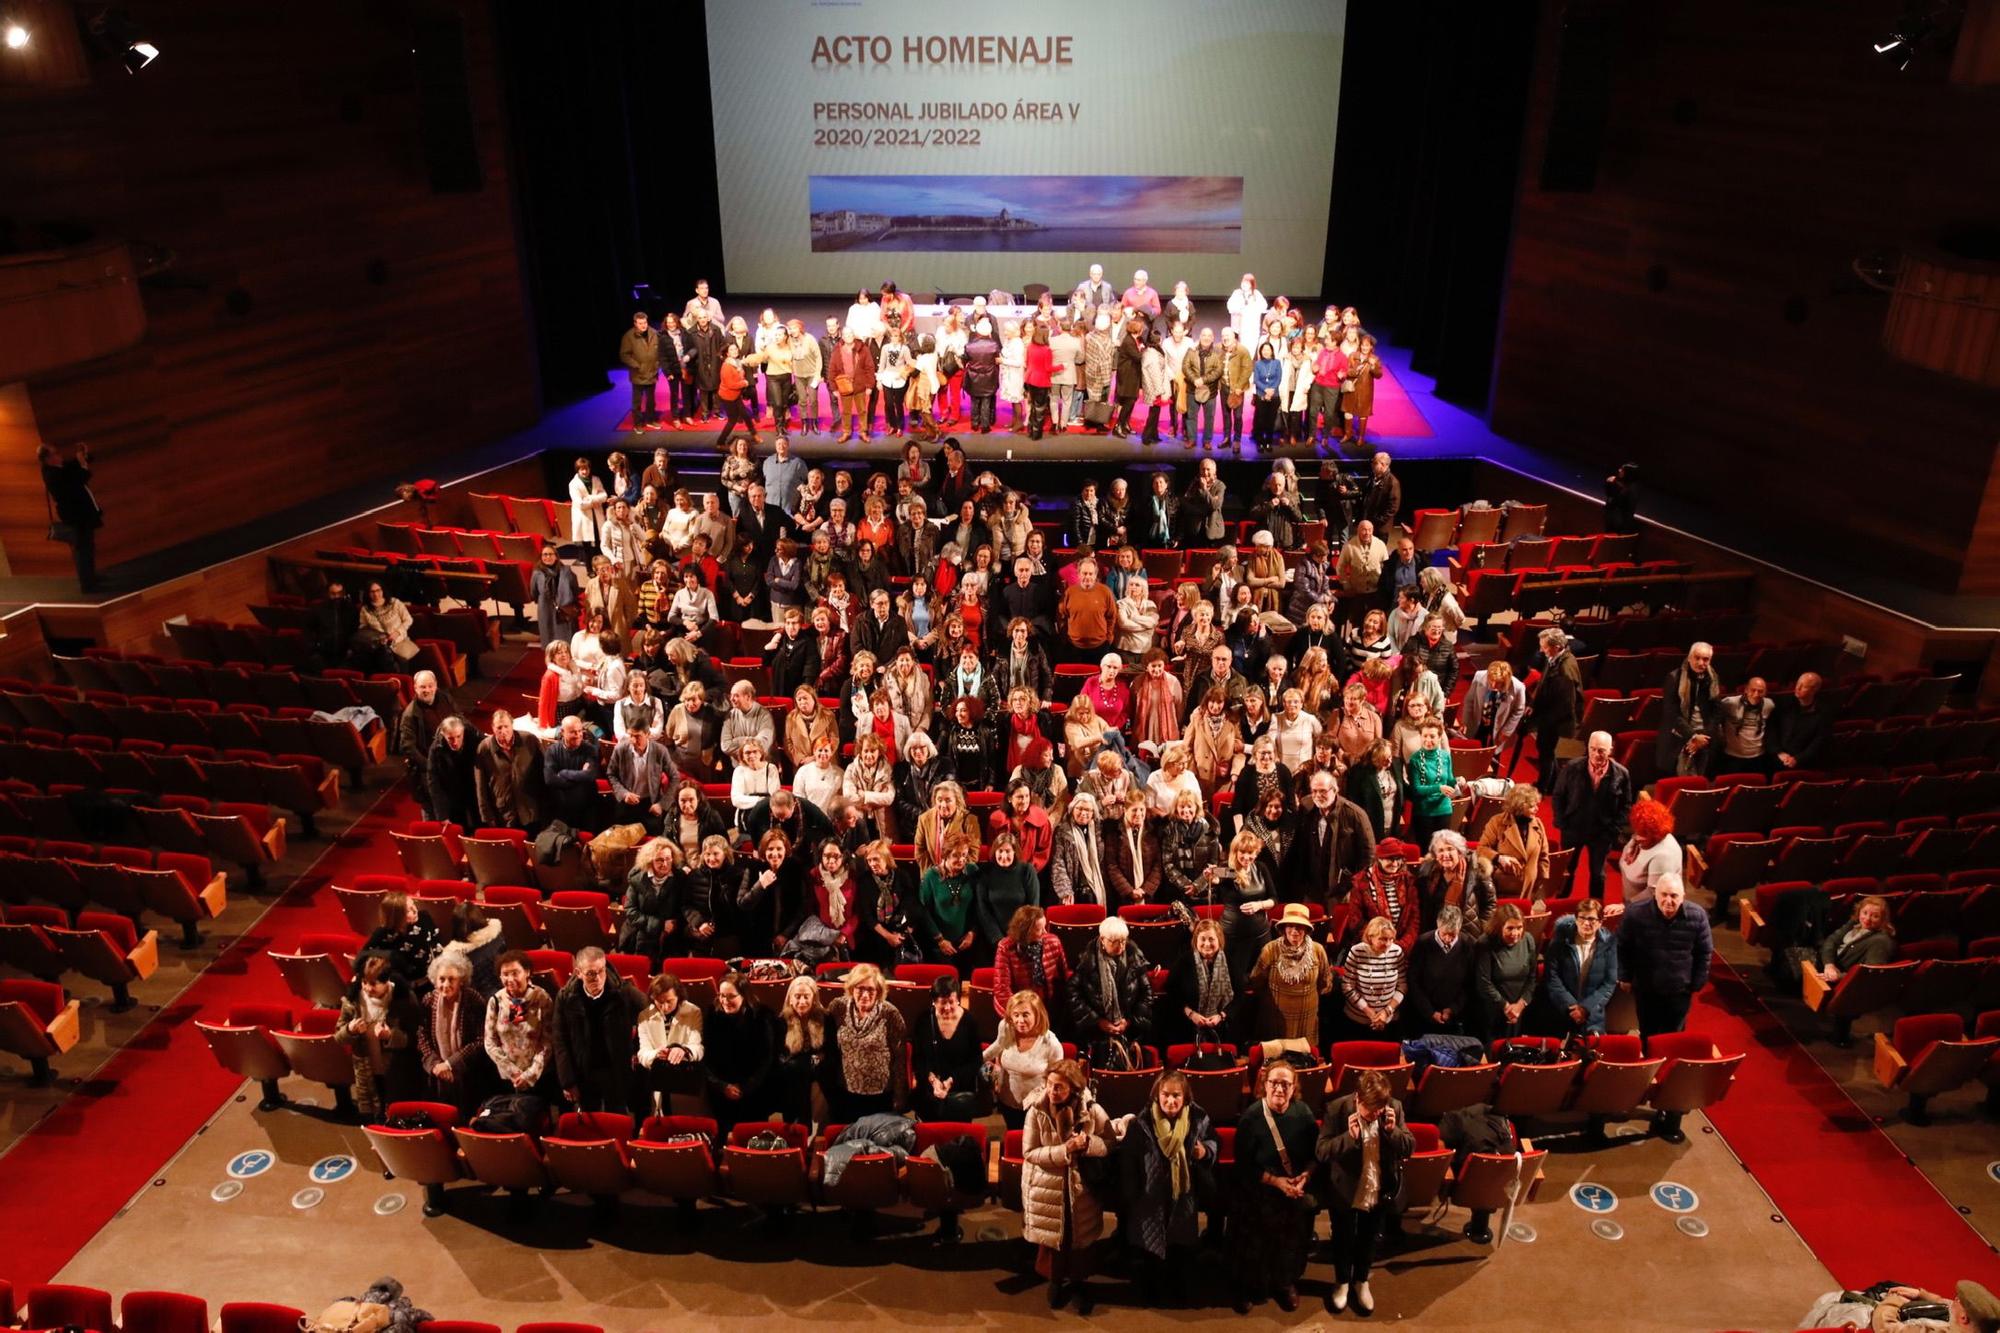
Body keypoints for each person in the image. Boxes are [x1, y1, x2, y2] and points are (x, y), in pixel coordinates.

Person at [1617, 872, 1711, 1139]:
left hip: (1678, 993)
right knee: (1648, 1038)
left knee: (1672, 1044)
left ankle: (1665, 1100)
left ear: (1683, 897)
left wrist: (1696, 983)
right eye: (1664, 895)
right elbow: (1623, 945)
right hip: (1646, 990)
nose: (1669, 901)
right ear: (1655, 894)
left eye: (1675, 896)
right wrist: (1624, 975)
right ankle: (1647, 1086)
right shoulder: (1636, 914)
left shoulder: (1696, 917)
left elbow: (1704, 953)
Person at [1022, 1057, 1115, 1314]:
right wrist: (1065, 1149)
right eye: (1050, 1084)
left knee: (1079, 1238)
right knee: (1055, 1241)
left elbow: (1109, 1143)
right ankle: (1055, 1281)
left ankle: (1078, 1284)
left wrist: (1088, 1145)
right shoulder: (1037, 1110)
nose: (1052, 1091)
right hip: (1048, 1186)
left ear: (1073, 1088)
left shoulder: (1091, 1110)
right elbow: (1030, 1152)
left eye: (1059, 1087)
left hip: (1080, 1189)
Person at [1116, 1069, 1218, 1305]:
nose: (1171, 1101)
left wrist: (1206, 1152)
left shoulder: (1198, 1118)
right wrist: (1131, 1195)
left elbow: (1213, 1142)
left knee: (1181, 1248)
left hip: (1183, 1197)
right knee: (1150, 1249)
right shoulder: (1141, 1122)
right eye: (1166, 1095)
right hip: (1149, 1198)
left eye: (1176, 1096)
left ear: (1185, 1098)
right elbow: (1129, 1161)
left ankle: (1179, 1289)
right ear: (1157, 1095)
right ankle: (1151, 1290)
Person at [1318, 1068, 1412, 1317]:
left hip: (1379, 1187)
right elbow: (1322, 1151)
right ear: (1357, 1099)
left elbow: (1409, 1147)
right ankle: (1342, 1282)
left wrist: (1393, 1132)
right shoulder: (1336, 1109)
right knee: (1343, 1238)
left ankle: (1361, 1281)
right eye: (1371, 1109)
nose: (1376, 1114)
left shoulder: (1394, 1108)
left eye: (1380, 1109)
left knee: (1369, 1238)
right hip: (1345, 1189)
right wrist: (1349, 1137)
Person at [1230, 1061, 1316, 1315]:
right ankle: (1247, 1285)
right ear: (1264, 1085)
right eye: (1274, 1083)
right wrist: (1276, 1182)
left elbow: (1315, 1156)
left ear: (1294, 1088)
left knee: (1292, 1238)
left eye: (1285, 1084)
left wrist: (1304, 1178)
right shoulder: (1251, 1118)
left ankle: (1284, 1282)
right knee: (1253, 1239)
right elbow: (1243, 1166)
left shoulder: (1303, 1114)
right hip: (1261, 1186)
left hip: (1293, 1185)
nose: (1279, 1088)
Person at [552, 947, 647, 1115]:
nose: (597, 978)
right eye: (590, 973)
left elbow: (651, 1016)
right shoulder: (566, 997)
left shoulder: (623, 991)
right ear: (578, 973)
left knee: (617, 1116)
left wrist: (638, 1049)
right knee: (590, 1118)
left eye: (601, 971)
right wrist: (567, 1081)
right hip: (584, 1069)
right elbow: (560, 1040)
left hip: (616, 1068)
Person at [337, 953, 424, 1119]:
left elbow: (415, 1037)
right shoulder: (353, 1000)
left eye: (373, 984)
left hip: (396, 1070)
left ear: (387, 982)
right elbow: (338, 1037)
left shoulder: (403, 999)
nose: (368, 988)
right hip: (366, 1070)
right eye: (364, 982)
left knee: (396, 1113)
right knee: (374, 1116)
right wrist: (350, 1030)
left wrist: (390, 1035)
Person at [818, 961, 907, 1123]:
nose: (865, 995)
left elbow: (900, 1057)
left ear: (878, 991)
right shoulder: (837, 1007)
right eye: (860, 988)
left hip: (880, 1094)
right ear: (852, 989)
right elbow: (826, 1042)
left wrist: (899, 1096)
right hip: (846, 1092)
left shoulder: (890, 1013)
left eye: (870, 989)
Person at [1551, 730, 1634, 901]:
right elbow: (1558, 795)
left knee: (1598, 874)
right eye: (1593, 749)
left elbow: (1626, 804)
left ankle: (1595, 907)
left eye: (1601, 750)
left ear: (1610, 750)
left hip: (1602, 833)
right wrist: (1561, 821)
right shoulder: (1572, 768)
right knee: (1567, 870)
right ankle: (1559, 903)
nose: (1596, 754)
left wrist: (1614, 828)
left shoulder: (1622, 774)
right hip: (1573, 828)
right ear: (1588, 747)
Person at [705, 971, 781, 1135]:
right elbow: (707, 1057)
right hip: (722, 1086)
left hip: (754, 1086)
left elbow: (767, 1059)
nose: (725, 1001)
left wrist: (745, 1088)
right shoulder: (713, 1014)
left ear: (745, 996)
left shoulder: (762, 1016)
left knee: (752, 1132)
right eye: (722, 995)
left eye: (731, 996)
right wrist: (722, 1086)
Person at [1248, 902, 1335, 1045]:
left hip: (1306, 1019)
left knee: (1303, 1058)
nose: (1295, 931)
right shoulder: (1270, 949)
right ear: (1283, 928)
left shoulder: (1318, 950)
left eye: (1300, 926)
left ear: (1307, 929)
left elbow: (1325, 983)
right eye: (1290, 926)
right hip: (1275, 1018)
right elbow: (1257, 981)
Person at [1071, 915, 1155, 1061]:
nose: (1121, 946)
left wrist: (1129, 1021)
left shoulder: (1134, 956)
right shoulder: (1086, 960)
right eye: (1115, 942)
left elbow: (1147, 993)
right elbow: (1074, 994)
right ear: (1102, 940)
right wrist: (1098, 1021)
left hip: (1130, 1030)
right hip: (1095, 1032)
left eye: (1123, 941)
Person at [418, 952, 489, 1123]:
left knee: (467, 1118)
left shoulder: (473, 999)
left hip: (469, 1074)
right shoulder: (428, 1000)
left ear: (461, 980)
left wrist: (450, 1064)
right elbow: (422, 1036)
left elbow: (480, 1039)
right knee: (442, 1119)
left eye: (452, 979)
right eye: (441, 979)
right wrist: (436, 1065)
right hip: (437, 1074)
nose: (446, 984)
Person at [986, 989, 1064, 1130]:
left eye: (1025, 1015)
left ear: (1037, 1015)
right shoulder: (1007, 1032)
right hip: (1007, 1103)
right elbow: (998, 1056)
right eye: (1016, 1015)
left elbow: (1057, 1079)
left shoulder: (1051, 1043)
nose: (1020, 1021)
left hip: (1037, 1108)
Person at [1540, 898, 1618, 1037]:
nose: (1586, 923)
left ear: (1600, 922)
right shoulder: (1560, 941)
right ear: (1575, 919)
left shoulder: (1609, 944)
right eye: (1582, 918)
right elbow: (1552, 977)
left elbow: (1609, 982)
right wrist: (1571, 1007)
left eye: (1592, 919)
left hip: (1592, 1016)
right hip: (1562, 1013)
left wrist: (1585, 1009)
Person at [483, 950, 555, 1101]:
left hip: (539, 1075)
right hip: (507, 1078)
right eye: (505, 974)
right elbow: (490, 1042)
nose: (510, 979)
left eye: (515, 973)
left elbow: (548, 1040)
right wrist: (513, 1072)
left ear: (527, 972)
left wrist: (530, 1074)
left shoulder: (541, 997)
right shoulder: (495, 1001)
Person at [913, 975, 983, 1123]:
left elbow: (976, 1060)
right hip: (929, 1091)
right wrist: (932, 1080)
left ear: (958, 999)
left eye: (951, 1002)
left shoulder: (970, 1021)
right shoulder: (923, 1020)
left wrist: (951, 1081)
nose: (947, 1007)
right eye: (942, 1003)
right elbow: (917, 1059)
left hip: (960, 1091)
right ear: (933, 1001)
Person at [38, 441, 103, 592]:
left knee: (88, 545)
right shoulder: (52, 474)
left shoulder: (59, 467)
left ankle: (90, 576)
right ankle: (87, 584)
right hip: (75, 515)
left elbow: (78, 464)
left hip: (82, 513)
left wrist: (83, 455)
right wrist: (82, 465)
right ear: (47, 458)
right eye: (56, 453)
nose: (60, 455)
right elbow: (79, 479)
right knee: (82, 548)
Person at [636, 972, 704, 1114]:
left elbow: (698, 1047)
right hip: (658, 1077)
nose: (664, 1007)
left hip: (684, 1078)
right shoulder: (644, 1016)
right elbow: (643, 1052)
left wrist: (683, 1050)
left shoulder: (693, 1012)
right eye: (659, 1002)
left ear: (679, 997)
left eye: (669, 1001)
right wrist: (657, 1053)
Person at [1405, 905, 1475, 1035]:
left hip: (1454, 1016)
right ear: (1438, 925)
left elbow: (1469, 983)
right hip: (1423, 1015)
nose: (1448, 939)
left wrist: (1453, 1009)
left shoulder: (1468, 944)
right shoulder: (1423, 942)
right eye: (1444, 934)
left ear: (1459, 928)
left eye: (1452, 935)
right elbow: (1413, 981)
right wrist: (1429, 1011)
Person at [1658, 640, 1723, 779]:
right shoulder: (1674, 678)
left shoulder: (1713, 678)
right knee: (1683, 780)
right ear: (1689, 657)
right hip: (1680, 735)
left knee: (1701, 779)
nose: (1701, 663)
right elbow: (1672, 712)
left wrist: (1703, 737)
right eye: (1697, 658)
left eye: (1705, 659)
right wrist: (1693, 737)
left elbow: (1717, 711)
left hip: (1705, 736)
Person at [1474, 903, 1537, 1044]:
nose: (1515, 933)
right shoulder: (1485, 943)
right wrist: (1506, 1007)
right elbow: (1484, 982)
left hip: (1519, 1011)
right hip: (1493, 1011)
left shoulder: (1528, 940)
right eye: (1510, 928)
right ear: (1499, 926)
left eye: (1519, 928)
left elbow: (1532, 978)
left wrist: (1520, 1005)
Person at [1476, 782, 1549, 900]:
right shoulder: (1497, 822)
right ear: (1519, 806)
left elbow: (1544, 857)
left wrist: (1540, 885)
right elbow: (1481, 849)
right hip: (1503, 887)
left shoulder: (1538, 824)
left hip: (1529, 889)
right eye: (1532, 806)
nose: (1537, 809)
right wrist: (1499, 858)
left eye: (1536, 804)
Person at [1525, 626, 1583, 776]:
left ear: (1556, 647)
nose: (1541, 650)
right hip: (1548, 714)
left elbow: (1565, 704)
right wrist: (1532, 704)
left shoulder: (1565, 668)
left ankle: (1544, 786)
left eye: (1544, 647)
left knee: (1546, 750)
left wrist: (1545, 722)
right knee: (1544, 749)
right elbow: (1543, 682)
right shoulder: (1554, 658)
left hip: (1554, 719)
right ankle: (1550, 780)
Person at [1341, 915, 1406, 1040]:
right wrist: (1369, 1011)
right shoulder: (1357, 951)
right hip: (1358, 1021)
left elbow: (1402, 985)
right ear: (1371, 937)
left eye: (1391, 939)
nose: (1387, 944)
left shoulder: (1397, 952)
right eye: (1382, 939)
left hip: (1389, 1020)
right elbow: (1347, 985)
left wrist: (1387, 1011)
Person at [363, 891, 444, 991]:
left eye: (413, 904)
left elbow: (437, 945)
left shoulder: (424, 917)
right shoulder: (383, 933)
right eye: (408, 910)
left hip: (431, 980)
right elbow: (363, 957)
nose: (415, 910)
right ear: (396, 917)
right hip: (403, 989)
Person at [1616, 797, 1682, 913]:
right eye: (1637, 831)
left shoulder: (1663, 856)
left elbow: (1653, 893)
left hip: (1648, 911)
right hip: (1634, 905)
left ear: (1656, 836)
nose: (1637, 837)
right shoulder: (1642, 836)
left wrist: (1625, 906)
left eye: (1644, 835)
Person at [541, 715, 602, 829]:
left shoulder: (590, 749)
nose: (578, 735)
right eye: (573, 732)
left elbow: (590, 775)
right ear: (562, 732)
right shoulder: (552, 751)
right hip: (562, 809)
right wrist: (580, 778)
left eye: (580, 731)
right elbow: (549, 779)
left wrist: (564, 773)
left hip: (587, 807)